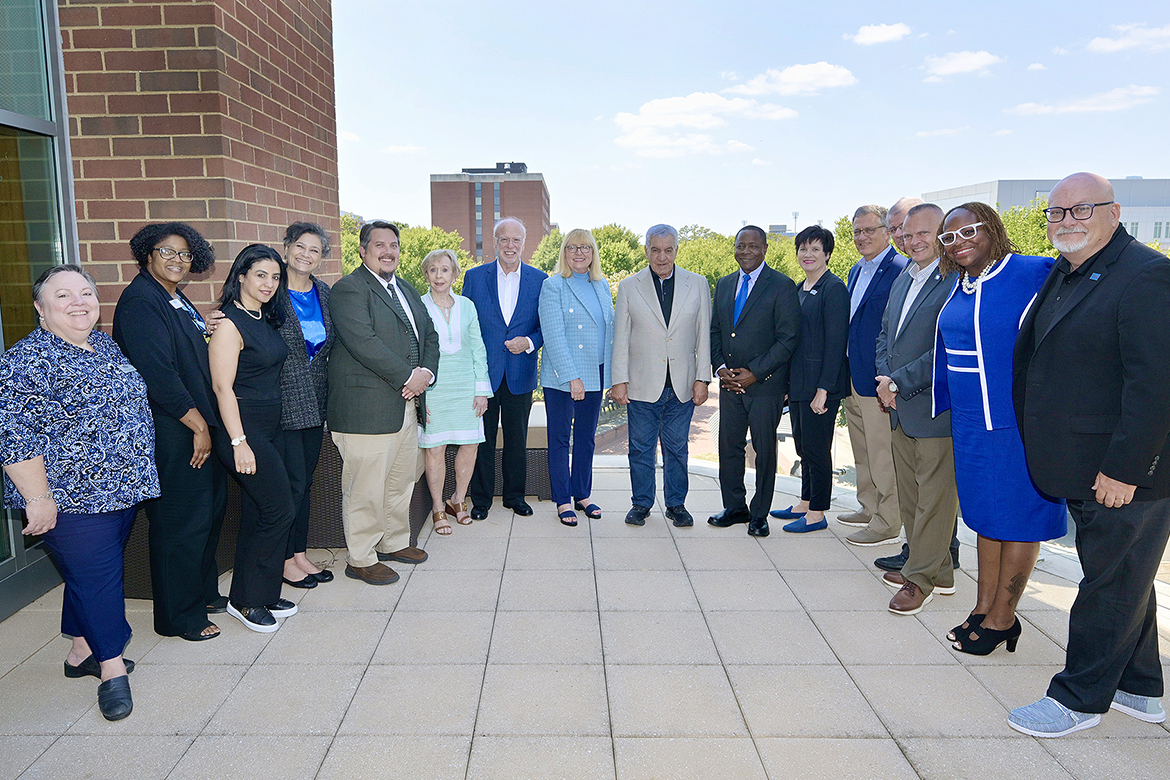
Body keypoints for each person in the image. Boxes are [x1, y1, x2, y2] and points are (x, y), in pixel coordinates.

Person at [1009, 173, 1170, 737]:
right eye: (1056, 214)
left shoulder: (1148, 275)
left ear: (1113, 211)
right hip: (1079, 463)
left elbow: (1155, 386)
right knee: (1123, 573)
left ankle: (1079, 698)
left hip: (1126, 472)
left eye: (1080, 210)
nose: (1066, 222)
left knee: (1110, 582)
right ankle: (1141, 687)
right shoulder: (1068, 268)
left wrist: (1126, 470)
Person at [2, 265, 160, 721]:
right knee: (100, 579)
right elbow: (14, 436)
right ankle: (111, 670)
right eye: (63, 295)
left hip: (122, 490)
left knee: (88, 573)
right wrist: (37, 498)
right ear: (40, 307)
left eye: (85, 293)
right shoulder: (27, 361)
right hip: (71, 499)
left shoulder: (101, 343)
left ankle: (79, 652)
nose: (78, 302)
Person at [931, 203, 1066, 649]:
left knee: (1021, 520)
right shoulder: (960, 284)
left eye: (968, 231)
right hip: (970, 425)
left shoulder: (1034, 272)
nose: (959, 242)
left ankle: (1004, 617)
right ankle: (982, 606)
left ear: (991, 228)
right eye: (948, 238)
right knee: (986, 519)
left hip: (1016, 424)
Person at [113, 222, 227, 641]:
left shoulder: (175, 298)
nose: (177, 260)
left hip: (198, 422)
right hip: (176, 427)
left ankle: (203, 594)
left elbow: (188, 352)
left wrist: (207, 328)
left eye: (184, 254)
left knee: (207, 514)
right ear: (147, 254)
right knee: (181, 524)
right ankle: (179, 617)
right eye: (167, 252)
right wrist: (197, 424)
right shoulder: (142, 300)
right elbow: (156, 372)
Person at [327, 221, 439, 584]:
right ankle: (360, 557)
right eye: (379, 245)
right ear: (362, 250)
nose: (388, 251)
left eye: (394, 245)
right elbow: (364, 342)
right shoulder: (348, 290)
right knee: (366, 488)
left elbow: (430, 336)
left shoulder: (405, 288)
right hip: (365, 410)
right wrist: (410, 377)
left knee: (400, 481)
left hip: (405, 406)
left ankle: (393, 542)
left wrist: (426, 374)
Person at [873, 204, 960, 614]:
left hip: (933, 408)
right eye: (906, 235)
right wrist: (884, 379)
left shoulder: (956, 280)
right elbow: (885, 335)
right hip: (897, 404)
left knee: (935, 500)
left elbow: (944, 350)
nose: (913, 241)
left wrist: (897, 381)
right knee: (910, 494)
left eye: (923, 233)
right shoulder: (903, 278)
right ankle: (939, 571)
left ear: (942, 233)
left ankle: (919, 579)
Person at [208, 245, 298, 632]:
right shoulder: (229, 323)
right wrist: (238, 442)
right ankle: (247, 600)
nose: (269, 283)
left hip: (270, 425)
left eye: (275, 277)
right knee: (280, 509)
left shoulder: (263, 318)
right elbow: (222, 388)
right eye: (260, 274)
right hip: (243, 429)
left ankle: (259, 590)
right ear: (241, 275)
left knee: (262, 511)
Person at [611, 224, 712, 528]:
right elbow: (621, 337)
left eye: (668, 250)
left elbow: (703, 335)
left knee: (677, 449)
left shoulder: (698, 284)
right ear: (646, 251)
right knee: (640, 449)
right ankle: (641, 504)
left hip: (682, 384)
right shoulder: (630, 286)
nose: (662, 256)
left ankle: (676, 504)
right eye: (655, 250)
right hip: (641, 384)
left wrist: (702, 378)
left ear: (677, 250)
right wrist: (619, 380)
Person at [708, 225, 802, 538]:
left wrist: (754, 373)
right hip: (729, 384)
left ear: (765, 249)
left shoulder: (781, 285)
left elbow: (788, 338)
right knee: (729, 448)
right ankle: (735, 507)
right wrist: (721, 367)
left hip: (765, 386)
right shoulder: (723, 284)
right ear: (734, 247)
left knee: (764, 451)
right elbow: (716, 332)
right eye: (740, 245)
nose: (746, 251)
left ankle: (759, 514)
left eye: (753, 246)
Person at [461, 218, 546, 519]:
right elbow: (465, 325)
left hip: (520, 374)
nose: (510, 246)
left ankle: (514, 496)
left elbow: (545, 327)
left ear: (524, 243)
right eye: (504, 240)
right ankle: (481, 501)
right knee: (481, 440)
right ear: (494, 242)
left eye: (516, 240)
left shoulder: (540, 279)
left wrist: (529, 341)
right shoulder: (474, 277)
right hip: (484, 374)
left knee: (516, 440)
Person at [769, 225, 848, 533]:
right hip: (800, 384)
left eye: (816, 249)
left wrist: (824, 389)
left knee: (816, 449)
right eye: (803, 248)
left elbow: (836, 342)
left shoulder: (833, 288)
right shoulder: (800, 288)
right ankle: (804, 501)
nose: (808, 254)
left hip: (820, 386)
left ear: (827, 254)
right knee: (803, 446)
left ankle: (817, 512)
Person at [839, 205, 907, 547]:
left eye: (869, 230)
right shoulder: (855, 271)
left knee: (882, 452)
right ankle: (868, 506)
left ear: (886, 232)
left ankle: (887, 521)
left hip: (878, 378)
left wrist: (888, 377)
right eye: (856, 232)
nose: (862, 237)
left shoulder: (900, 269)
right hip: (853, 374)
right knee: (862, 447)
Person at [538, 229, 615, 526]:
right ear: (564, 252)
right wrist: (572, 377)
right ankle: (562, 500)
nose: (579, 253)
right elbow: (554, 336)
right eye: (572, 247)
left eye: (585, 247)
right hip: (563, 375)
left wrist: (611, 376)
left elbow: (608, 331)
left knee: (586, 438)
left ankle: (582, 494)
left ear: (593, 252)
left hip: (594, 371)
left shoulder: (602, 285)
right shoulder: (553, 286)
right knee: (560, 439)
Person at [274, 222, 336, 588]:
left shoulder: (324, 293)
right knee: (289, 484)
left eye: (314, 250)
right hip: (280, 399)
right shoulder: (269, 288)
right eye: (300, 246)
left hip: (316, 399)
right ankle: (283, 559)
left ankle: (299, 553)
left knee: (305, 481)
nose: (306, 255)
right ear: (286, 248)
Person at [418, 249, 491, 534]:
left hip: (467, 387)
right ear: (426, 274)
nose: (439, 276)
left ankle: (458, 500)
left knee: (470, 445)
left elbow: (478, 349)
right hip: (433, 388)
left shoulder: (467, 306)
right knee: (435, 448)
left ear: (455, 274)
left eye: (445, 270)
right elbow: (415, 352)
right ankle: (438, 507)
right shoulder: (418, 306)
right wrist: (421, 396)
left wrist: (481, 390)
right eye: (433, 270)